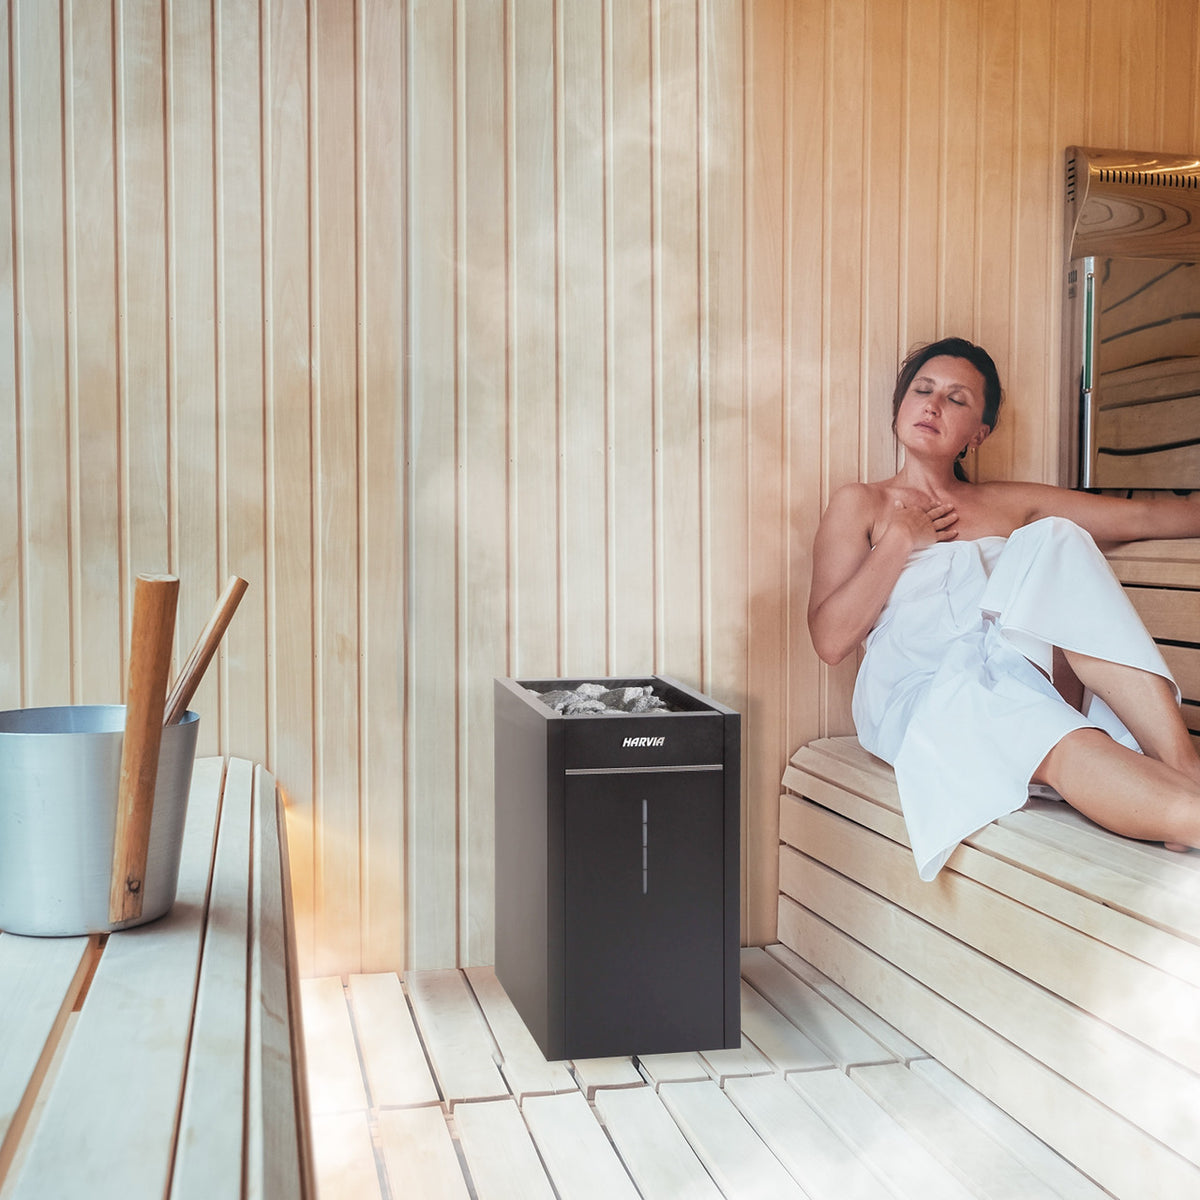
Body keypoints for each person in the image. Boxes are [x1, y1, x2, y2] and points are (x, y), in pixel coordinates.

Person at [808, 335, 1200, 878]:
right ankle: (1182, 807)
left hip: (1018, 668)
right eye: (922, 390)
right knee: (1029, 719)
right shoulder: (862, 504)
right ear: (900, 405)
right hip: (924, 689)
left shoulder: (1011, 502)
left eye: (957, 399)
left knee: (1056, 537)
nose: (933, 405)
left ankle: (1183, 767)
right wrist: (900, 540)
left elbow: (1147, 520)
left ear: (979, 433)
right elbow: (830, 641)